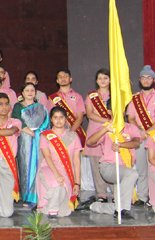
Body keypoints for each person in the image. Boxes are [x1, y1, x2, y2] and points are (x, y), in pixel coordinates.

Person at [126, 65, 155, 206]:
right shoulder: (134, 98)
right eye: (144, 78)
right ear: (139, 80)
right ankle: (142, 196)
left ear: (154, 80)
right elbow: (131, 117)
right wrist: (139, 131)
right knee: (141, 168)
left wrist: (148, 131)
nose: (146, 80)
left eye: (149, 78)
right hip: (140, 137)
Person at [82, 117, 141, 219]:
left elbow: (136, 142)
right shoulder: (106, 127)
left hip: (124, 167)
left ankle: (95, 206)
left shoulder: (130, 127)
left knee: (119, 204)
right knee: (132, 174)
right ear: (110, 112)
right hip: (108, 167)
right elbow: (90, 142)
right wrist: (105, 129)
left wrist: (121, 145)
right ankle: (123, 211)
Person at [37, 106, 82, 217]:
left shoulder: (73, 136)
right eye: (55, 117)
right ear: (51, 119)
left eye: (61, 117)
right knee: (58, 185)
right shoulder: (45, 136)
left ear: (66, 119)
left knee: (64, 213)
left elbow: (76, 161)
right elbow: (47, 156)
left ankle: (47, 208)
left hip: (67, 172)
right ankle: (52, 209)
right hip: (48, 169)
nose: (58, 120)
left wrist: (77, 183)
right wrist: (57, 174)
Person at [12, 83, 50, 207]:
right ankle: (27, 197)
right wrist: (32, 133)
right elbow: (17, 122)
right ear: (22, 93)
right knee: (26, 167)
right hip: (25, 139)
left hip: (39, 139)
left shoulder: (41, 107)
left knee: (39, 165)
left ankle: (40, 195)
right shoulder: (18, 106)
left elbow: (46, 123)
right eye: (27, 90)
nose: (29, 92)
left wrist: (38, 133)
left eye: (32, 90)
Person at [84, 69, 112, 203]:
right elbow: (89, 114)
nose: (103, 81)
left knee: (111, 162)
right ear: (96, 81)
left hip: (111, 133)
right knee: (96, 164)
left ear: (110, 80)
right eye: (100, 78)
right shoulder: (91, 96)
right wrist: (107, 121)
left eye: (105, 78)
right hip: (95, 132)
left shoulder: (116, 95)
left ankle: (115, 192)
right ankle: (101, 194)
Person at [48, 69, 86, 146]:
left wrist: (70, 133)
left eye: (65, 76)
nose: (63, 78)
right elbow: (50, 117)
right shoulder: (52, 98)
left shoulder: (78, 97)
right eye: (60, 77)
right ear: (57, 81)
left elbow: (80, 117)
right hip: (58, 133)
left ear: (70, 79)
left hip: (74, 131)